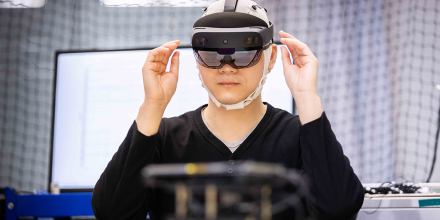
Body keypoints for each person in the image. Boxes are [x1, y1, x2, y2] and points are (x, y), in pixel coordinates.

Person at [91, 0, 364, 219]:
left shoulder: (299, 135)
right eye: (212, 53)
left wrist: (306, 98)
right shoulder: (165, 137)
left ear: (271, 59)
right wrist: (153, 106)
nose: (227, 66)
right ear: (196, 60)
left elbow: (339, 209)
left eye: (245, 51)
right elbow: (111, 212)